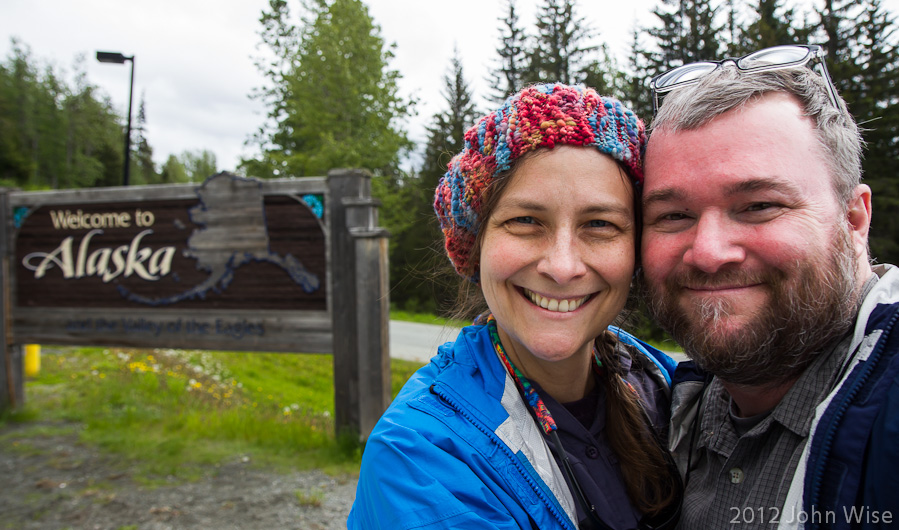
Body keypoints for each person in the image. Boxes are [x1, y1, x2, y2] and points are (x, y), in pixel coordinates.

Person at [348, 83, 682, 529]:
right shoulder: (420, 456)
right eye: (526, 221)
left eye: (600, 224)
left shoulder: (667, 387)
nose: (562, 267)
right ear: (477, 242)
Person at [640, 44, 899, 529]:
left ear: (854, 217)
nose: (709, 252)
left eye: (759, 205)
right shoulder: (657, 414)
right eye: (673, 216)